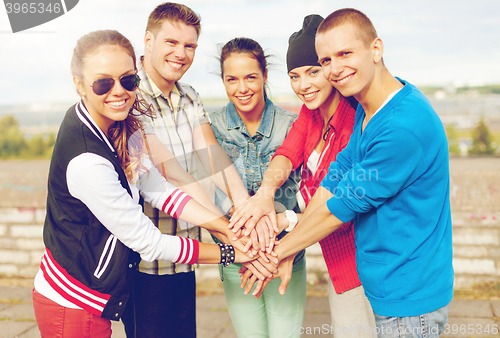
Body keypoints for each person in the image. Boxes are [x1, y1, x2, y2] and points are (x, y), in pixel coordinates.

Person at [32, 29, 253, 338]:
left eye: (128, 80)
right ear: (80, 86)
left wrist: (226, 228)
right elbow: (149, 242)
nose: (118, 91)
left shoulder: (116, 123)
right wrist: (231, 253)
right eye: (102, 83)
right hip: (72, 304)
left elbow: (158, 187)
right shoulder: (87, 161)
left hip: (90, 297)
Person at [253, 8, 454, 338]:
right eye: (327, 59)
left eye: (345, 53)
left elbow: (341, 207)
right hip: (386, 281)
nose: (335, 68)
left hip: (408, 296)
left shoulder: (402, 126)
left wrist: (277, 252)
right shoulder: (371, 107)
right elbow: (335, 179)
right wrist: (288, 240)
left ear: (376, 49)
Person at [233, 15, 376, 336]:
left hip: (363, 257)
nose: (304, 85)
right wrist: (263, 196)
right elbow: (287, 153)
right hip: (335, 253)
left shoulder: (353, 120)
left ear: (329, 68)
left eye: (313, 71)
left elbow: (337, 201)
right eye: (295, 76)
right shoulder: (311, 114)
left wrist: (287, 231)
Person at [124, 3, 257, 337]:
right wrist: (231, 234)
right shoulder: (128, 95)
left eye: (190, 45)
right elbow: (172, 174)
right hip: (145, 261)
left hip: (188, 251)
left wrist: (247, 211)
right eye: (171, 42)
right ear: (148, 41)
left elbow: (211, 158)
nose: (181, 53)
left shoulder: (189, 96)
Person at [208, 37, 306, 337]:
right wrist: (244, 246)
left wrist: (281, 251)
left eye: (251, 77)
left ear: (265, 75)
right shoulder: (210, 128)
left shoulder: (293, 125)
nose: (242, 88)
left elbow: (306, 197)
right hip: (236, 256)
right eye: (232, 79)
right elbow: (207, 200)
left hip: (286, 255)